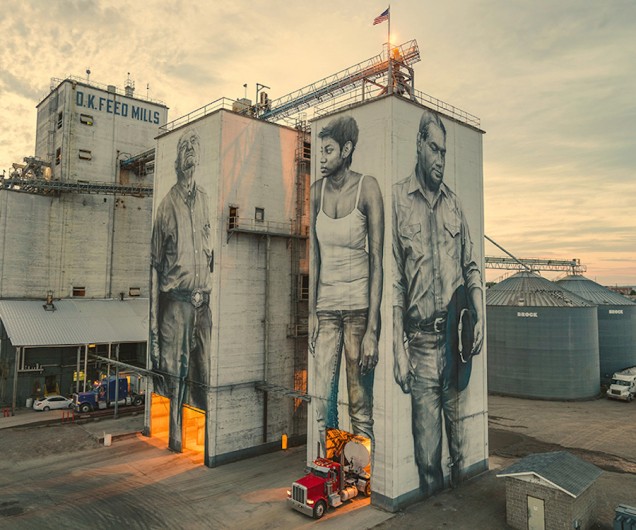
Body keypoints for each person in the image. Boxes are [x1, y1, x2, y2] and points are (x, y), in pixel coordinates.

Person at [392, 109, 484, 496]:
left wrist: (479, 315)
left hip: (457, 344)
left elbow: (472, 266)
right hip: (422, 349)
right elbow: (395, 282)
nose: (441, 160)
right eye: (434, 149)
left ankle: (463, 505)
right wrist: (397, 347)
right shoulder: (398, 199)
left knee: (461, 449)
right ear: (419, 146)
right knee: (427, 456)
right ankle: (432, 512)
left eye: (445, 152)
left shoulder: (455, 205)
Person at [309, 115, 384, 453]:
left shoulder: (368, 188)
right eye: (319, 151)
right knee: (323, 403)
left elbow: (377, 260)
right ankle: (332, 467)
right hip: (326, 313)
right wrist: (312, 312)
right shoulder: (315, 193)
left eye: (327, 150)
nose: (321, 157)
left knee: (359, 407)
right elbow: (314, 259)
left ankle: (364, 478)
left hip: (358, 312)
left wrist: (372, 330)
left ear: (347, 149)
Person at [150, 129, 213, 452]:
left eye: (194, 147)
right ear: (176, 160)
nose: (190, 152)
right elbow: (154, 267)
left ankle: (202, 442)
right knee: (175, 380)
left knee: (205, 379)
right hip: (175, 306)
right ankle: (176, 442)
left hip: (204, 306)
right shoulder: (165, 207)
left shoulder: (205, 200)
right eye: (185, 148)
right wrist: (153, 333)